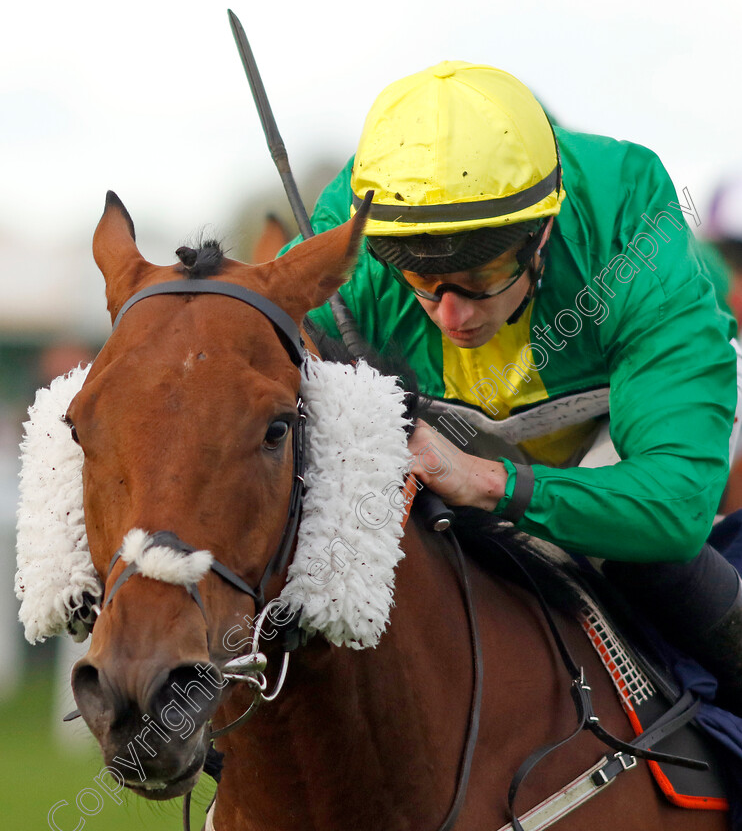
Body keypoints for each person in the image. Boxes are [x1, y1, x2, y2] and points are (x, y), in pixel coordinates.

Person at [282, 61, 742, 714]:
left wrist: (486, 480)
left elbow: (671, 508)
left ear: (542, 230)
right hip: (449, 432)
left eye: (484, 274)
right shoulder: (348, 240)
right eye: (419, 278)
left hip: (616, 434)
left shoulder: (633, 226)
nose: (451, 315)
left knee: (643, 561)